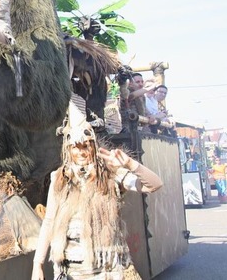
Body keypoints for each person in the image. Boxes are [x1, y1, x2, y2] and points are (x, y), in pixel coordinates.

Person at [31, 101, 163, 280]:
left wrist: (131, 164)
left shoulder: (111, 174)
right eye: (75, 147)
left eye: (85, 146)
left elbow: (153, 185)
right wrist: (37, 264)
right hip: (70, 270)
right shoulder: (59, 178)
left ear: (93, 145)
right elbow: (49, 221)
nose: (81, 152)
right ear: (68, 149)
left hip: (108, 270)